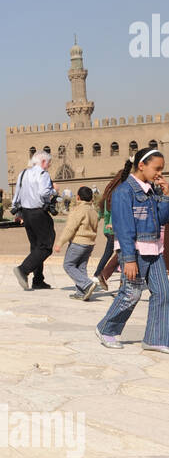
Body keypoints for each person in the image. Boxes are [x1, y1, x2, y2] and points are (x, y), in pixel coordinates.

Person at [96, 146, 169, 351]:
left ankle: (155, 338)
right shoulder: (124, 192)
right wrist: (128, 258)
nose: (159, 173)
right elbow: (124, 227)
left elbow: (162, 219)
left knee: (163, 293)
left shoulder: (152, 191)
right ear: (141, 165)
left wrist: (166, 196)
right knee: (131, 293)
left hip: (154, 251)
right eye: (156, 168)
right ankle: (106, 329)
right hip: (134, 251)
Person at [12, 152, 58, 291]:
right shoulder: (43, 174)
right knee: (46, 245)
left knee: (36, 246)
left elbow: (17, 193)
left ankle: (38, 280)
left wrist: (17, 211)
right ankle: (23, 270)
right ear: (43, 162)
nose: (49, 166)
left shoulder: (23, 173)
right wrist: (54, 191)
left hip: (26, 213)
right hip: (38, 212)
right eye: (49, 163)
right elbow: (44, 193)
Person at [54, 186, 100, 300]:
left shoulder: (78, 210)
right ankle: (82, 293)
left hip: (78, 243)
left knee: (68, 265)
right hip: (89, 244)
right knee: (81, 268)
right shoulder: (93, 211)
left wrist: (60, 243)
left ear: (78, 197)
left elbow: (70, 228)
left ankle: (87, 284)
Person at [93, 179, 122, 291]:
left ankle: (99, 274)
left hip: (107, 230)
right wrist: (112, 224)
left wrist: (97, 221)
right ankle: (99, 274)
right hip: (113, 230)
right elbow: (115, 213)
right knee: (119, 254)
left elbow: (101, 212)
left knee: (112, 253)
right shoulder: (115, 196)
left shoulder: (107, 196)